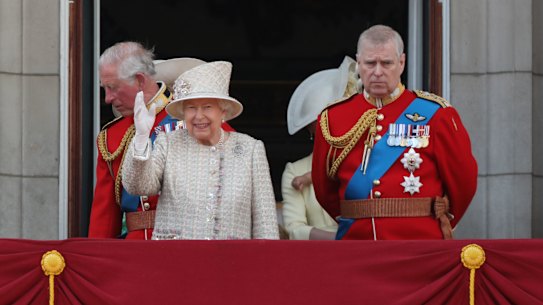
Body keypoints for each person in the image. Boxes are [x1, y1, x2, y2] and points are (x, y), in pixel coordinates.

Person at [312, 25, 478, 240]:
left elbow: (463, 182)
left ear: (402, 63)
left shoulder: (436, 114)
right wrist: (357, 216)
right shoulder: (333, 118)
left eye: (387, 63)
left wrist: (440, 220)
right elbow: (324, 189)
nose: (378, 72)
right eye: (370, 63)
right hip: (356, 242)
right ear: (359, 63)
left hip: (419, 244)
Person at [88, 41, 234, 240]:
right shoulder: (112, 136)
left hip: (192, 246)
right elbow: (103, 220)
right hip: (134, 254)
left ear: (140, 81)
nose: (107, 98)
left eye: (112, 88)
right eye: (105, 88)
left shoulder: (195, 118)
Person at [122, 61, 279, 240]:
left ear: (223, 112)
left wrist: (266, 263)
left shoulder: (250, 149)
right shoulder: (168, 142)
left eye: (207, 107)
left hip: (233, 262)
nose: (199, 116)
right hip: (176, 260)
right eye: (191, 108)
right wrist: (141, 136)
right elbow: (139, 186)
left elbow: (265, 221)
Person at [281, 56, 357, 240]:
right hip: (318, 259)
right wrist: (339, 240)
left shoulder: (368, 161)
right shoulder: (295, 170)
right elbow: (294, 229)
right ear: (311, 128)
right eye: (322, 123)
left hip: (365, 254)